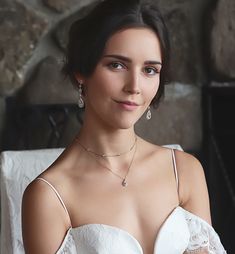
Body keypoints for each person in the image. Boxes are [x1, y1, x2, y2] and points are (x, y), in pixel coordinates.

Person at [21, 0, 226, 253]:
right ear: (81, 71)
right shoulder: (49, 196)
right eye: (117, 65)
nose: (134, 86)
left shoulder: (184, 171)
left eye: (150, 70)